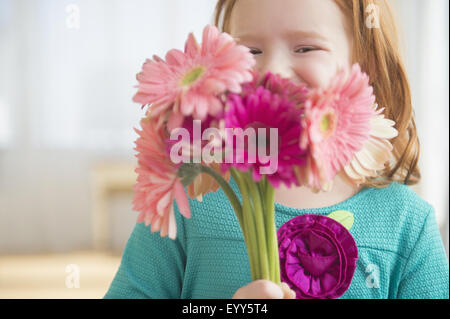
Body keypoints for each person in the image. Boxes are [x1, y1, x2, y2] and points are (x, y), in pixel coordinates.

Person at [104, 0, 449, 299]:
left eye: (305, 48)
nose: (271, 72)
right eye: (250, 51)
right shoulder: (187, 205)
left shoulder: (408, 225)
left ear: (366, 68)